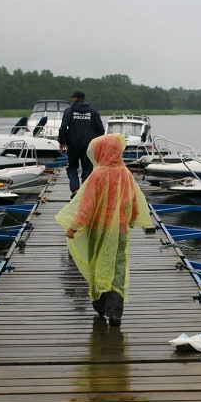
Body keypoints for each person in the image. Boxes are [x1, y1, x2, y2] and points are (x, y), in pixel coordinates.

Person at [55, 133, 150, 326]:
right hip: (121, 230)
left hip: (99, 229)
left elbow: (86, 205)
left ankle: (100, 306)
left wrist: (74, 226)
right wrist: (131, 219)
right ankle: (115, 313)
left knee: (98, 264)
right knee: (118, 269)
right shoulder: (126, 174)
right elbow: (134, 202)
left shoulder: (97, 175)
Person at [57, 90, 105, 196]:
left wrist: (61, 141)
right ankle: (85, 191)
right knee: (87, 168)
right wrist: (98, 143)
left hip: (73, 145)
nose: (72, 100)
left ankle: (75, 189)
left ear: (75, 98)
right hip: (89, 145)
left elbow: (63, 127)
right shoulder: (93, 112)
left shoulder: (69, 111)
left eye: (72, 98)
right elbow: (101, 129)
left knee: (72, 167)